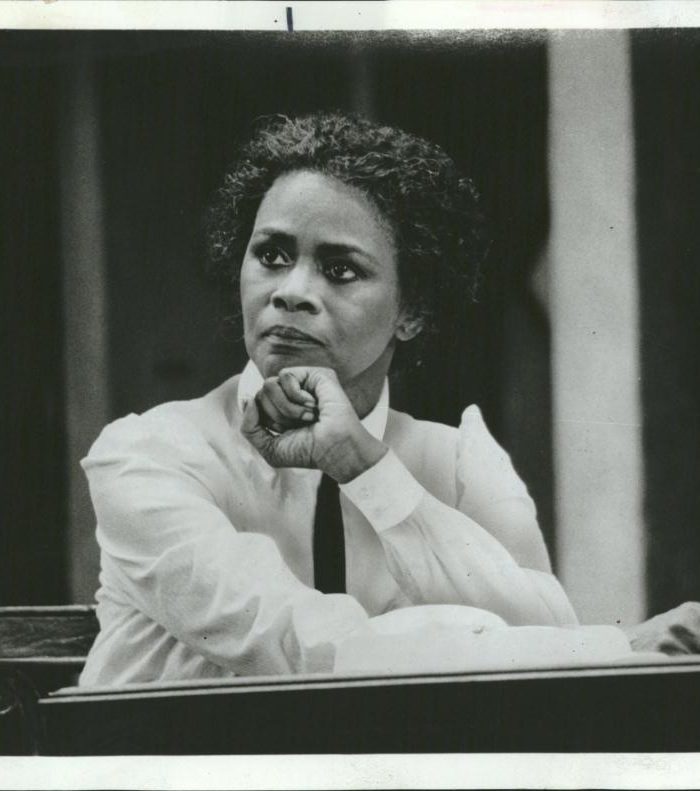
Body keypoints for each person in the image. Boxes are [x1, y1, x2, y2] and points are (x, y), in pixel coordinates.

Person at [79, 112, 700, 686]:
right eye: (271, 255)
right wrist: (613, 649)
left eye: (340, 269)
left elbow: (545, 639)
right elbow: (300, 649)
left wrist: (363, 465)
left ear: (412, 310)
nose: (291, 292)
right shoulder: (150, 455)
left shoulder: (460, 463)